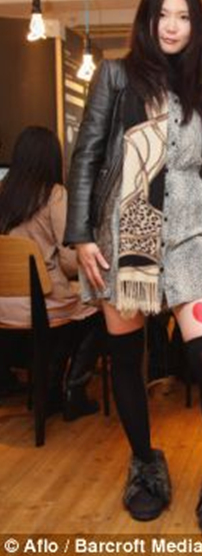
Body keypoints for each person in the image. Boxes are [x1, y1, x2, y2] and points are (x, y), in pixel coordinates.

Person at [64, 0, 202, 540]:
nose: (172, 25)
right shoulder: (116, 76)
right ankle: (145, 463)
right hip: (129, 236)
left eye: (184, 16)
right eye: (163, 14)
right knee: (126, 358)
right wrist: (81, 235)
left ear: (196, 26)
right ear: (147, 19)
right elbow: (87, 154)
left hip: (190, 238)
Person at [0, 125, 102, 421]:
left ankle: (50, 386)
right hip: (40, 301)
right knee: (99, 307)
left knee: (73, 314)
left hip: (3, 305)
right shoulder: (55, 194)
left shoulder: (3, 192)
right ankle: (74, 389)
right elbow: (70, 260)